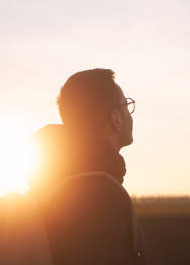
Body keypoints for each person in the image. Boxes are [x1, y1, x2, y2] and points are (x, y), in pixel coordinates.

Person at [29, 68, 146, 265]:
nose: (130, 115)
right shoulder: (98, 194)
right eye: (127, 106)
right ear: (115, 118)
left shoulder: (55, 181)